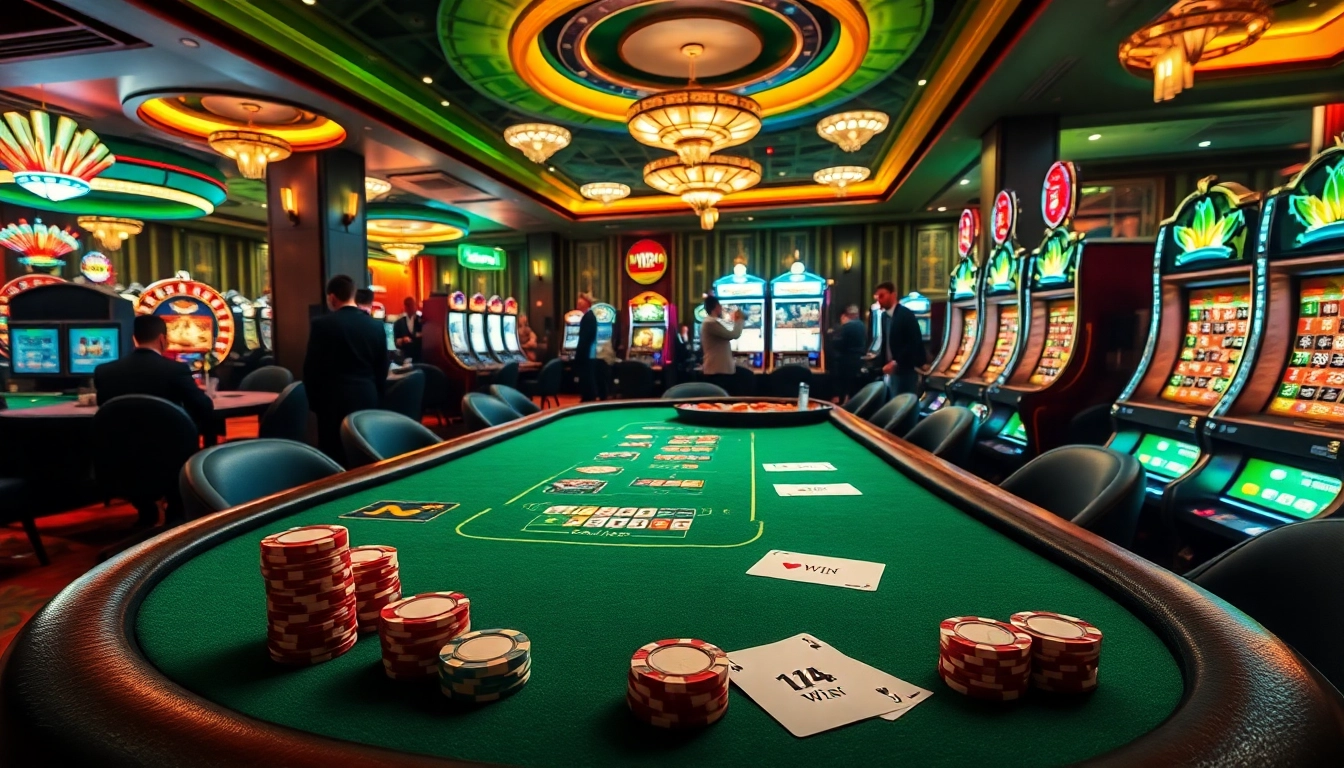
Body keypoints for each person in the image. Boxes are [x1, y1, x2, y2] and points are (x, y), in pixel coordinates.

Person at [94, 314, 216, 526]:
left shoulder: (104, 372)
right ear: (162, 339)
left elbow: (107, 412)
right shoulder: (175, 370)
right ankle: (176, 513)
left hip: (120, 457)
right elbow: (204, 407)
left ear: (135, 338)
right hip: (171, 457)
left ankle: (145, 510)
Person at [305, 275, 391, 465]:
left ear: (332, 298)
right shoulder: (375, 326)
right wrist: (377, 395)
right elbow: (382, 367)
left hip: (332, 400)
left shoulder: (322, 325)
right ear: (353, 295)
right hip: (366, 395)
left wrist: (314, 403)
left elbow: (311, 369)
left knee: (334, 458)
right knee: (365, 453)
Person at [874, 281, 926, 396]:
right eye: (878, 297)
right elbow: (885, 342)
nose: (879, 300)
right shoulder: (884, 316)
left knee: (903, 405)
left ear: (893, 295)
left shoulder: (906, 315)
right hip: (890, 370)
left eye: (882, 296)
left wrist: (896, 362)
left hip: (905, 370)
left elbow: (913, 343)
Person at [700, 294, 743, 394]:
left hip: (719, 369)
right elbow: (734, 334)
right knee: (719, 401)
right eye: (720, 306)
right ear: (716, 307)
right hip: (717, 370)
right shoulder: (710, 322)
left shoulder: (713, 322)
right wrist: (739, 320)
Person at [831, 305, 870, 399]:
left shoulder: (847, 326)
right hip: (859, 360)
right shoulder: (862, 325)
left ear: (846, 315)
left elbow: (838, 344)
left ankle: (842, 402)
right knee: (853, 388)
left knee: (844, 385)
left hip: (847, 361)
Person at [574, 293, 606, 402]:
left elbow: (585, 339)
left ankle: (588, 399)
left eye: (580, 301)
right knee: (587, 377)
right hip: (589, 353)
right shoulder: (589, 316)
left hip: (587, 353)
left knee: (587, 377)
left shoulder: (588, 317)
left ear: (587, 303)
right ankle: (588, 397)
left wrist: (578, 354)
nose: (578, 303)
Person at [393, 296, 423, 363]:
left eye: (413, 306)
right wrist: (403, 340)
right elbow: (396, 342)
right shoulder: (399, 323)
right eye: (409, 306)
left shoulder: (421, 320)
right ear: (405, 308)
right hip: (404, 357)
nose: (412, 308)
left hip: (420, 358)